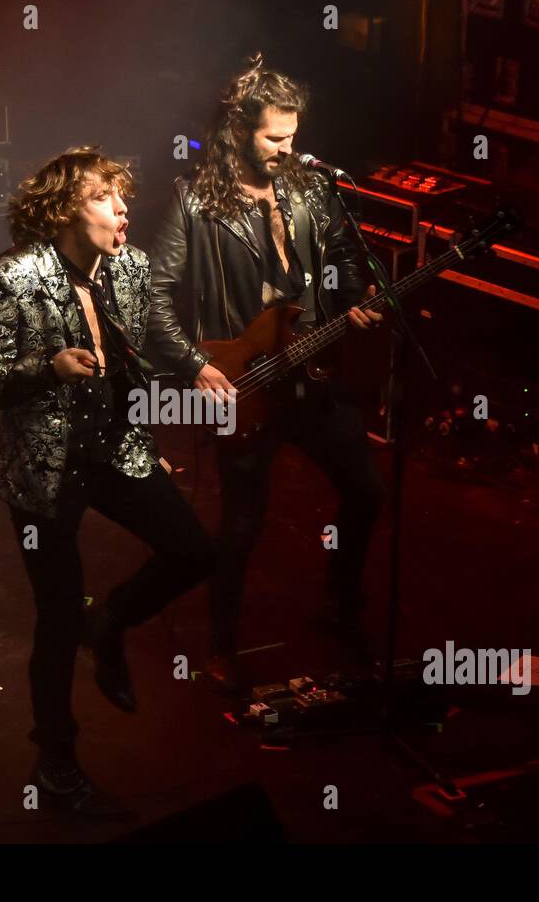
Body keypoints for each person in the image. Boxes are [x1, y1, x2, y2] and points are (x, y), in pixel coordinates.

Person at [0, 147, 215, 816]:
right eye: (106, 197)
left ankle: (113, 622)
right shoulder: (8, 277)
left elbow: (132, 361)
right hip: (44, 466)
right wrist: (48, 365)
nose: (124, 208)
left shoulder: (129, 268)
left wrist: (149, 437)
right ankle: (56, 759)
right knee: (56, 614)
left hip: (114, 448)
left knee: (194, 551)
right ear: (68, 209)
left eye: (122, 197)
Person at [147, 54, 385, 693]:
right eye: (274, 137)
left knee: (365, 490)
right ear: (238, 131)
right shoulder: (195, 199)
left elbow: (340, 252)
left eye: (293, 135)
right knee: (243, 524)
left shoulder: (308, 188)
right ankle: (223, 643)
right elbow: (153, 293)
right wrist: (196, 364)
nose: (288, 148)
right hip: (245, 382)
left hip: (308, 369)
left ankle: (341, 604)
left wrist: (356, 295)